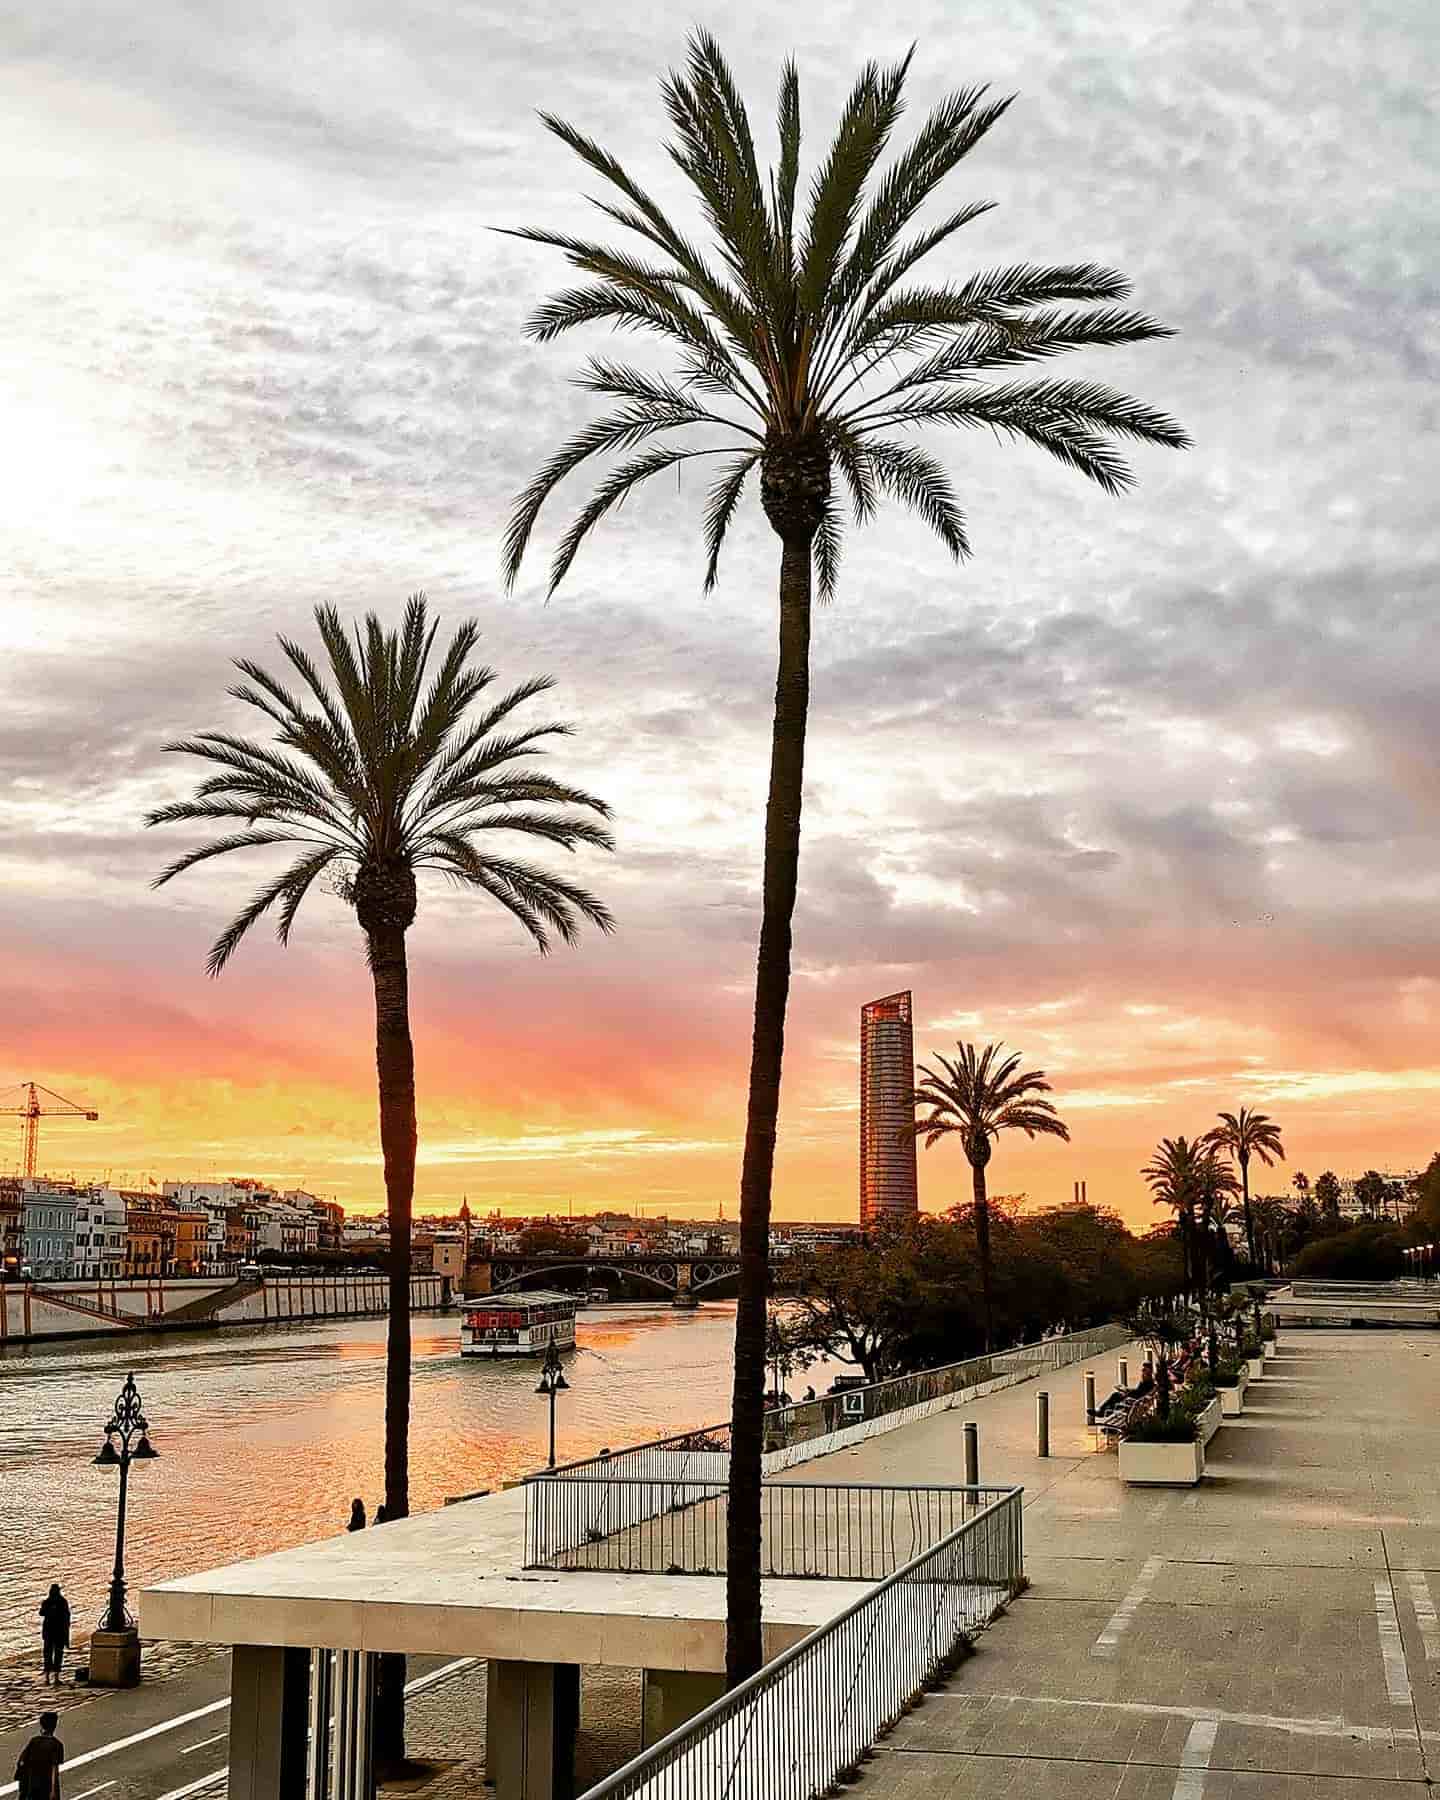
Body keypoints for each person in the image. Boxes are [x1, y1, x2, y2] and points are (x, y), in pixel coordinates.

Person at [14, 1711, 64, 1799]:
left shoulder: (34, 1741)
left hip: (32, 1784)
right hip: (46, 1786)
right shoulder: (57, 1745)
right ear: (54, 1726)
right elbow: (54, 1769)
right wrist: (53, 1791)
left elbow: (21, 1761)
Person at [38, 1586, 69, 1686]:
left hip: (48, 1632)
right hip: (59, 1632)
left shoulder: (47, 1602)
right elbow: (66, 1619)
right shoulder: (63, 1602)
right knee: (58, 1654)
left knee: (47, 1654)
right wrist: (67, 1636)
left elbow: (41, 1613)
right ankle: (56, 1677)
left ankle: (47, 1678)